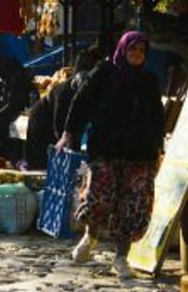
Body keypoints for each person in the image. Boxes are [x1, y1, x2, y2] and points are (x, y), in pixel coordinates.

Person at [57, 30, 165, 279]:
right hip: (106, 147)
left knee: (132, 204)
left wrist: (158, 147)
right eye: (132, 49)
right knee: (98, 197)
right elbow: (80, 101)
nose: (137, 55)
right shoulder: (104, 72)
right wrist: (69, 133)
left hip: (139, 151)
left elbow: (156, 116)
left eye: (141, 51)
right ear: (122, 50)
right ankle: (90, 236)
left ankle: (121, 257)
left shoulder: (148, 80)